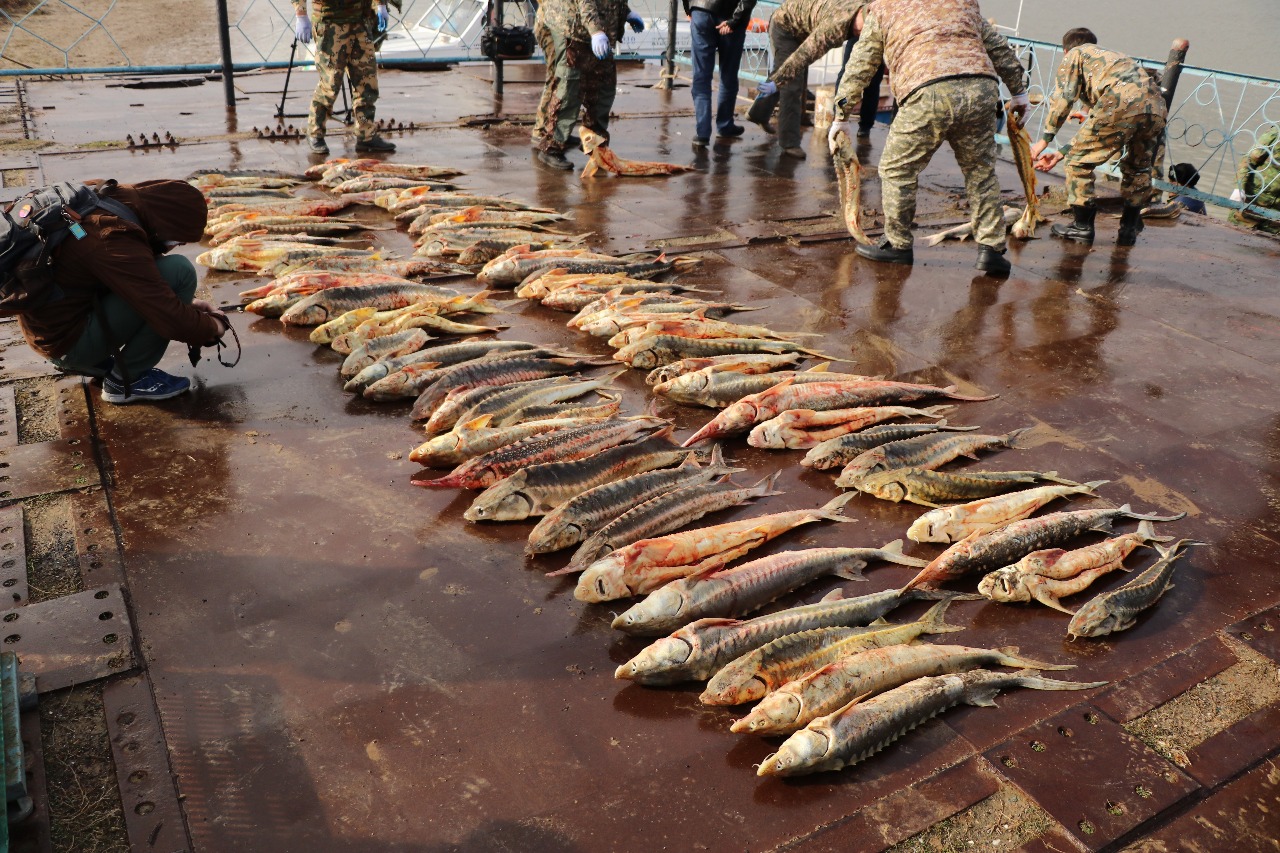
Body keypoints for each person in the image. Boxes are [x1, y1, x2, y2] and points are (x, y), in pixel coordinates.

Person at [829, 0, 1029, 274]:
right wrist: (1019, 92)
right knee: (981, 173)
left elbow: (862, 64)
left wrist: (841, 114)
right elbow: (997, 47)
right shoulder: (962, 2)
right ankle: (992, 249)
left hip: (929, 91)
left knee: (897, 169)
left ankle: (898, 245)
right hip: (981, 88)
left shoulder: (884, 7)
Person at [15, 181, 229, 404]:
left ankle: (97, 362)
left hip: (49, 333)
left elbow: (127, 277)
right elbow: (170, 318)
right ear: (168, 222)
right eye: (179, 239)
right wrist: (214, 326)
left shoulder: (109, 199)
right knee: (179, 271)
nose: (176, 245)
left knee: (165, 279)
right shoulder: (112, 235)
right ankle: (127, 380)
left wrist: (189, 303)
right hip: (69, 345)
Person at [1030, 28, 1167, 246]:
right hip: (1157, 106)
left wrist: (1044, 140)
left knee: (1077, 164)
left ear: (1065, 51)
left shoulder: (1075, 55)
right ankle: (1129, 229)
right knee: (1139, 167)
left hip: (1122, 103)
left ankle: (1082, 227)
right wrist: (1061, 152)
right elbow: (1095, 130)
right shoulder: (1112, 57)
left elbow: (1064, 99)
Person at [532, 0, 643, 170]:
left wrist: (626, 12)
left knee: (605, 85)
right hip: (571, 26)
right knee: (569, 87)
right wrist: (596, 32)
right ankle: (552, 147)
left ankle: (596, 143)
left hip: (595, 28)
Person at [750, 0, 866, 159]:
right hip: (785, 26)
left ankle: (759, 112)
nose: (860, 35)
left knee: (786, 73)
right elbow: (803, 57)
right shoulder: (835, 27)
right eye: (860, 31)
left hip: (802, 26)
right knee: (792, 84)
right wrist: (778, 81)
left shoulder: (866, 7)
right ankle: (789, 142)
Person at [294, 0, 397, 155]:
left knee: (366, 82)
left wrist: (380, 4)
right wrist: (301, 15)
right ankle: (315, 133)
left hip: (360, 22)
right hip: (330, 24)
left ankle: (366, 134)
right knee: (330, 84)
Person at [684, 0, 757, 148]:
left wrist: (691, 9)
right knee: (728, 74)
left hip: (701, 10)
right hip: (730, 13)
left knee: (701, 77)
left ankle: (702, 133)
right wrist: (735, 20)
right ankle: (724, 126)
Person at [1228, 123, 1280, 234]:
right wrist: (1239, 188)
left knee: (1266, 249)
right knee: (1232, 238)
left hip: (1275, 219)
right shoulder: (1276, 133)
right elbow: (1249, 160)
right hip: (1251, 203)